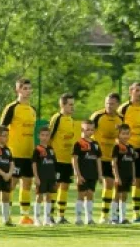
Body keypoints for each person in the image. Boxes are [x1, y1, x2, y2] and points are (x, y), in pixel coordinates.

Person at [0, 77, 37, 225]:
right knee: (10, 185)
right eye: (24, 89)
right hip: (14, 153)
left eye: (29, 88)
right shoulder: (12, 108)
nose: (27, 91)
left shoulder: (32, 110)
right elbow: (2, 128)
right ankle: (6, 216)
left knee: (27, 184)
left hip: (28, 153)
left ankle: (25, 216)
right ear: (18, 90)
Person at [89, 93, 123, 224]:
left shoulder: (120, 119)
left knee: (113, 184)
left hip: (112, 157)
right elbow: (88, 132)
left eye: (112, 103)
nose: (109, 105)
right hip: (98, 157)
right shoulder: (97, 116)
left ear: (117, 105)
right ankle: (91, 216)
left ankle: (109, 215)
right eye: (107, 103)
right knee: (94, 186)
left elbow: (122, 137)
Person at [119, 82, 140, 221]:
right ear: (131, 91)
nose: (139, 93)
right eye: (137, 90)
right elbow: (118, 130)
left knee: (139, 180)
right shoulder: (124, 108)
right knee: (123, 180)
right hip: (126, 148)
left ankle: (136, 213)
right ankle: (116, 213)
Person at [47, 94, 78, 224]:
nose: (72, 107)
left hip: (67, 159)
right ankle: (50, 215)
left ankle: (61, 215)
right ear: (62, 105)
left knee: (65, 187)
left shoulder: (71, 120)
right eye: (70, 104)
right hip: (57, 159)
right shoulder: (57, 118)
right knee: (55, 186)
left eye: (73, 104)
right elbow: (49, 136)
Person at [72, 120, 102, 225]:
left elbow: (98, 159)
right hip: (82, 173)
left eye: (92, 129)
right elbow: (74, 160)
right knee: (81, 194)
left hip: (92, 174)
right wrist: (77, 175)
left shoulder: (95, 144)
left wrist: (100, 174)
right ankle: (78, 218)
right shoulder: (78, 144)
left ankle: (89, 218)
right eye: (87, 129)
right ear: (82, 130)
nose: (90, 131)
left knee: (90, 194)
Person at [110, 124, 137, 224]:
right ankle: (113, 217)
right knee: (117, 195)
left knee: (124, 195)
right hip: (120, 175)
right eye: (123, 134)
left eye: (127, 134)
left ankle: (123, 217)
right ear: (118, 135)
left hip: (128, 175)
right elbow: (114, 163)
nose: (125, 136)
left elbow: (133, 163)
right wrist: (117, 176)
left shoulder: (130, 147)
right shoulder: (116, 147)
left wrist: (134, 176)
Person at [31, 128, 58, 226]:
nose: (45, 137)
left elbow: (54, 164)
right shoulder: (37, 150)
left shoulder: (51, 149)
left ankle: (47, 219)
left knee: (49, 196)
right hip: (41, 177)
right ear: (39, 136)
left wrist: (55, 177)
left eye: (47, 135)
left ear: (49, 136)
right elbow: (34, 164)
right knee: (39, 197)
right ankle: (36, 218)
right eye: (43, 135)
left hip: (50, 177)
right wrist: (36, 177)